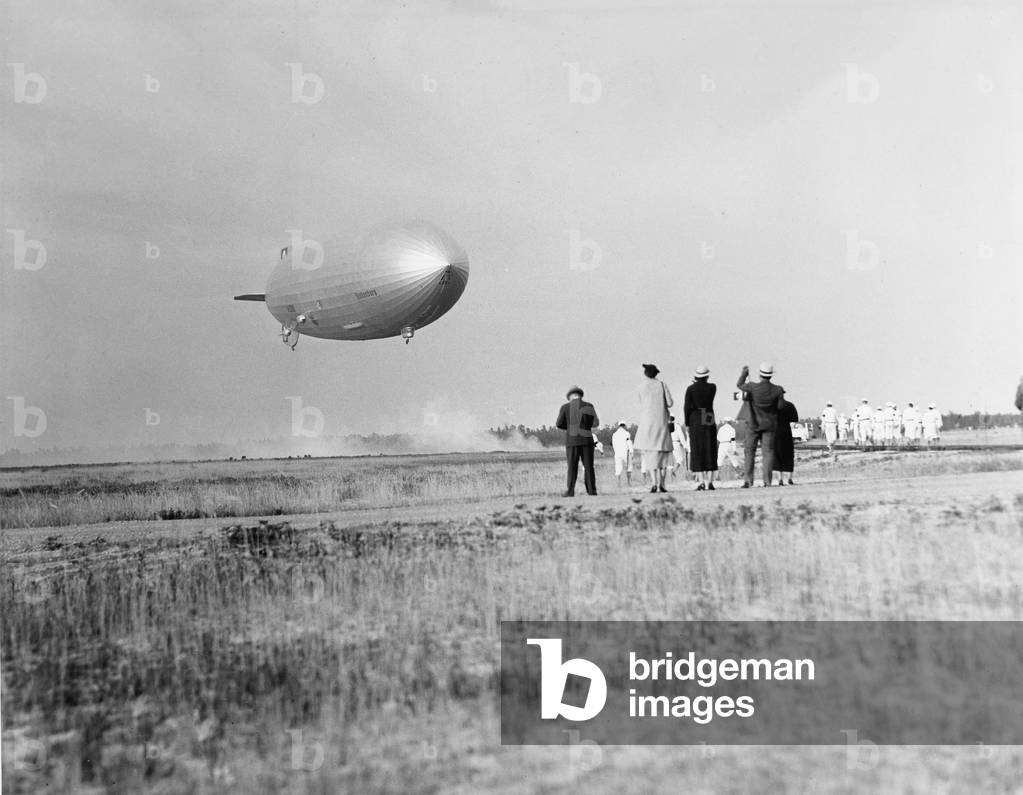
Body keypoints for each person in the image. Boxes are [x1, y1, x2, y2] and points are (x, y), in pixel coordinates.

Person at [735, 362, 785, 488]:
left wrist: (744, 374)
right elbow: (780, 406)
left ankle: (748, 480)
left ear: (760, 375)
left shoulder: (752, 387)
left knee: (749, 452)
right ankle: (767, 481)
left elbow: (739, 385)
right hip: (769, 425)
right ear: (771, 376)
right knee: (768, 453)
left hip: (753, 424)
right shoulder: (777, 390)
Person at [635, 363, 674, 493]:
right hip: (661, 422)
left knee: (650, 454)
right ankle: (662, 484)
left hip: (647, 423)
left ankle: (653, 483)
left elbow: (640, 403)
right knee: (663, 453)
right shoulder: (662, 385)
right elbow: (670, 403)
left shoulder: (641, 386)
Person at [555, 385, 599, 497]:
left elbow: (559, 423)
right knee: (589, 467)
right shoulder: (589, 406)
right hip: (587, 440)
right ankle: (591, 491)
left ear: (570, 396)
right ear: (580, 395)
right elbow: (595, 423)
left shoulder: (565, 407)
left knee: (572, 467)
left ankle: (570, 491)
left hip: (572, 441)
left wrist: (570, 427)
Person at [684, 365, 719, 491]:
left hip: (696, 417)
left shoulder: (691, 389)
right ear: (707, 376)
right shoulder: (712, 387)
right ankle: (710, 482)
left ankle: (701, 481)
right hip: (708, 415)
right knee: (710, 447)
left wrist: (687, 423)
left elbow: (687, 407)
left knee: (698, 449)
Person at [773, 397, 798, 485]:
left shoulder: (772, 406)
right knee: (789, 455)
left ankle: (780, 479)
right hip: (787, 432)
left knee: (777, 455)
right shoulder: (790, 405)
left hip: (775, 432)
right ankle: (789, 478)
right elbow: (794, 421)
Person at [611, 421, 634, 487]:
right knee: (629, 467)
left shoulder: (614, 434)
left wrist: (615, 451)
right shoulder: (627, 433)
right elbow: (629, 443)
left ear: (619, 426)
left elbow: (613, 444)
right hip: (626, 452)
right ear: (624, 426)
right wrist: (632, 452)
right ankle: (629, 483)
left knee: (618, 468)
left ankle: (618, 483)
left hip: (617, 453)